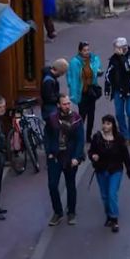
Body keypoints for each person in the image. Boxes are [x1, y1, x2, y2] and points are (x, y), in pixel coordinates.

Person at [45, 95, 85, 226]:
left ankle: (71, 212)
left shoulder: (76, 119)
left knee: (71, 185)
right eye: (64, 104)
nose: (67, 106)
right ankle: (58, 212)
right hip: (55, 157)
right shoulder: (52, 119)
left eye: (68, 103)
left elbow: (80, 140)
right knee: (52, 185)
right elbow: (47, 136)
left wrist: (76, 157)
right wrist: (49, 152)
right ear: (58, 105)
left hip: (70, 157)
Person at [88, 114, 130, 232]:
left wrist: (129, 169)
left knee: (112, 194)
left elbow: (125, 155)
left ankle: (114, 219)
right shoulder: (97, 138)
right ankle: (108, 214)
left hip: (115, 170)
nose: (105, 126)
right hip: (101, 170)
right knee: (105, 196)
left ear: (113, 125)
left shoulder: (119, 139)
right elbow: (91, 151)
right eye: (104, 123)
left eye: (108, 123)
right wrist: (93, 156)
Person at [105, 37, 130, 145]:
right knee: (119, 114)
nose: (115, 50)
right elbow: (108, 73)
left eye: (117, 48)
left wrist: (122, 57)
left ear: (123, 48)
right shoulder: (113, 58)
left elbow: (128, 68)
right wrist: (107, 88)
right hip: (118, 89)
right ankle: (124, 134)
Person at [67, 41, 103, 130]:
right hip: (82, 92)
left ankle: (89, 137)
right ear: (80, 51)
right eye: (84, 50)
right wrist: (73, 89)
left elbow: (98, 69)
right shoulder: (75, 62)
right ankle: (79, 134)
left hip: (91, 91)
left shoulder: (93, 59)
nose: (87, 52)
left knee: (91, 115)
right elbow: (71, 77)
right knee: (82, 115)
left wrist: (98, 72)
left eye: (88, 50)